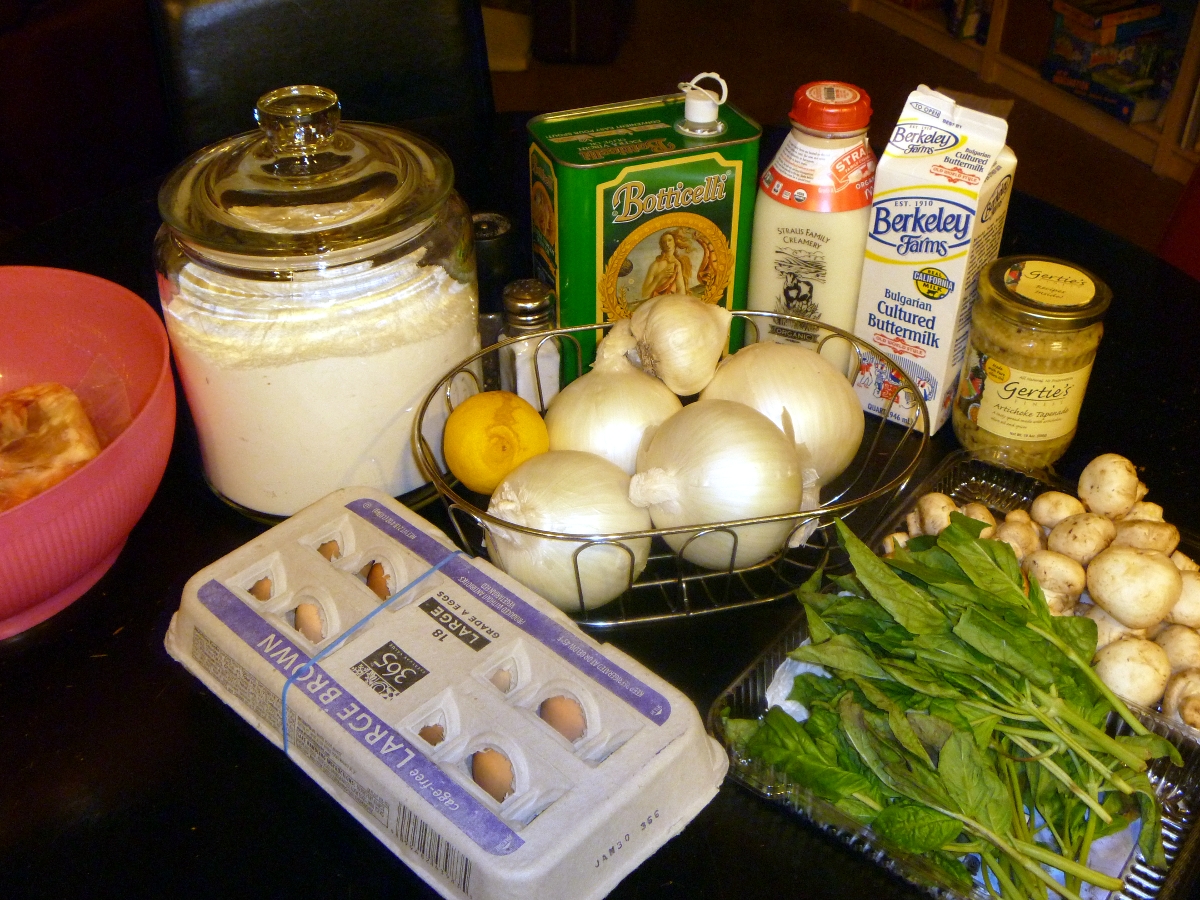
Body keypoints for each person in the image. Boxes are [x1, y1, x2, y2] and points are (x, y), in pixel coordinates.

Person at [642, 231, 690, 299]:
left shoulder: (677, 263)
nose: (667, 244)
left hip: (674, 301)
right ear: (662, 246)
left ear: (674, 242)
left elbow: (681, 289)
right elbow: (644, 293)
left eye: (669, 240)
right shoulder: (655, 265)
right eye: (664, 242)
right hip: (657, 302)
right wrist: (660, 276)